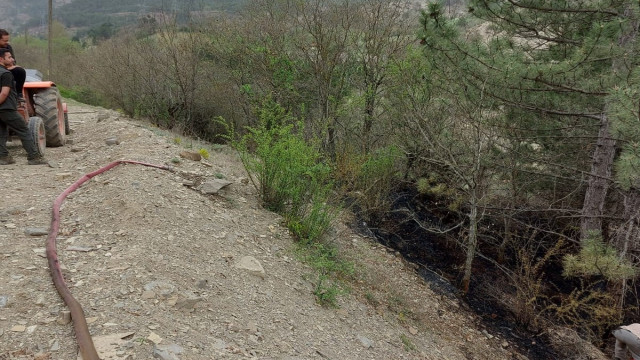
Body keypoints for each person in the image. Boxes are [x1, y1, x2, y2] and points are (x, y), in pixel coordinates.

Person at [0, 48, 47, 165]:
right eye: (9, 57)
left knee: (1, 132)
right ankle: (34, 157)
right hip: (6, 108)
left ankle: (3, 157)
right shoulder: (6, 74)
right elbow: (4, 93)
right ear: (1, 59)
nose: (12, 59)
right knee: (23, 130)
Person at [0, 29, 26, 103]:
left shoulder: (8, 47)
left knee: (19, 71)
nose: (7, 42)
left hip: (6, 69)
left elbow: (12, 61)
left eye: (7, 40)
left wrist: (10, 66)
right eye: (5, 41)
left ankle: (18, 94)